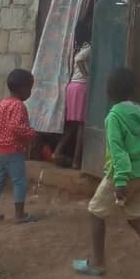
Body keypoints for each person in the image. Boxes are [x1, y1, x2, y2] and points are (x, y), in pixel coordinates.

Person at [72, 67, 140, 279]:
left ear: (109, 91)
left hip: (121, 176)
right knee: (135, 217)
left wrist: (121, 180)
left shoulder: (114, 117)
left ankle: (97, 263)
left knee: (95, 211)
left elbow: (118, 150)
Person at [0, 68, 38, 225]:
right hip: (13, 150)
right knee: (20, 181)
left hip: (1, 148)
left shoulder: (3, 104)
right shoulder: (19, 106)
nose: (30, 92)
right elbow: (16, 127)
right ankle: (19, 215)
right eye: (30, 88)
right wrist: (32, 134)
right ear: (23, 88)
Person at [53, 9, 92, 169]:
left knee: (73, 124)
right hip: (81, 86)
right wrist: (87, 75)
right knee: (82, 124)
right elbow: (79, 60)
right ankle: (76, 161)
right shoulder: (88, 47)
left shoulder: (76, 47)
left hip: (72, 86)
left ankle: (57, 152)